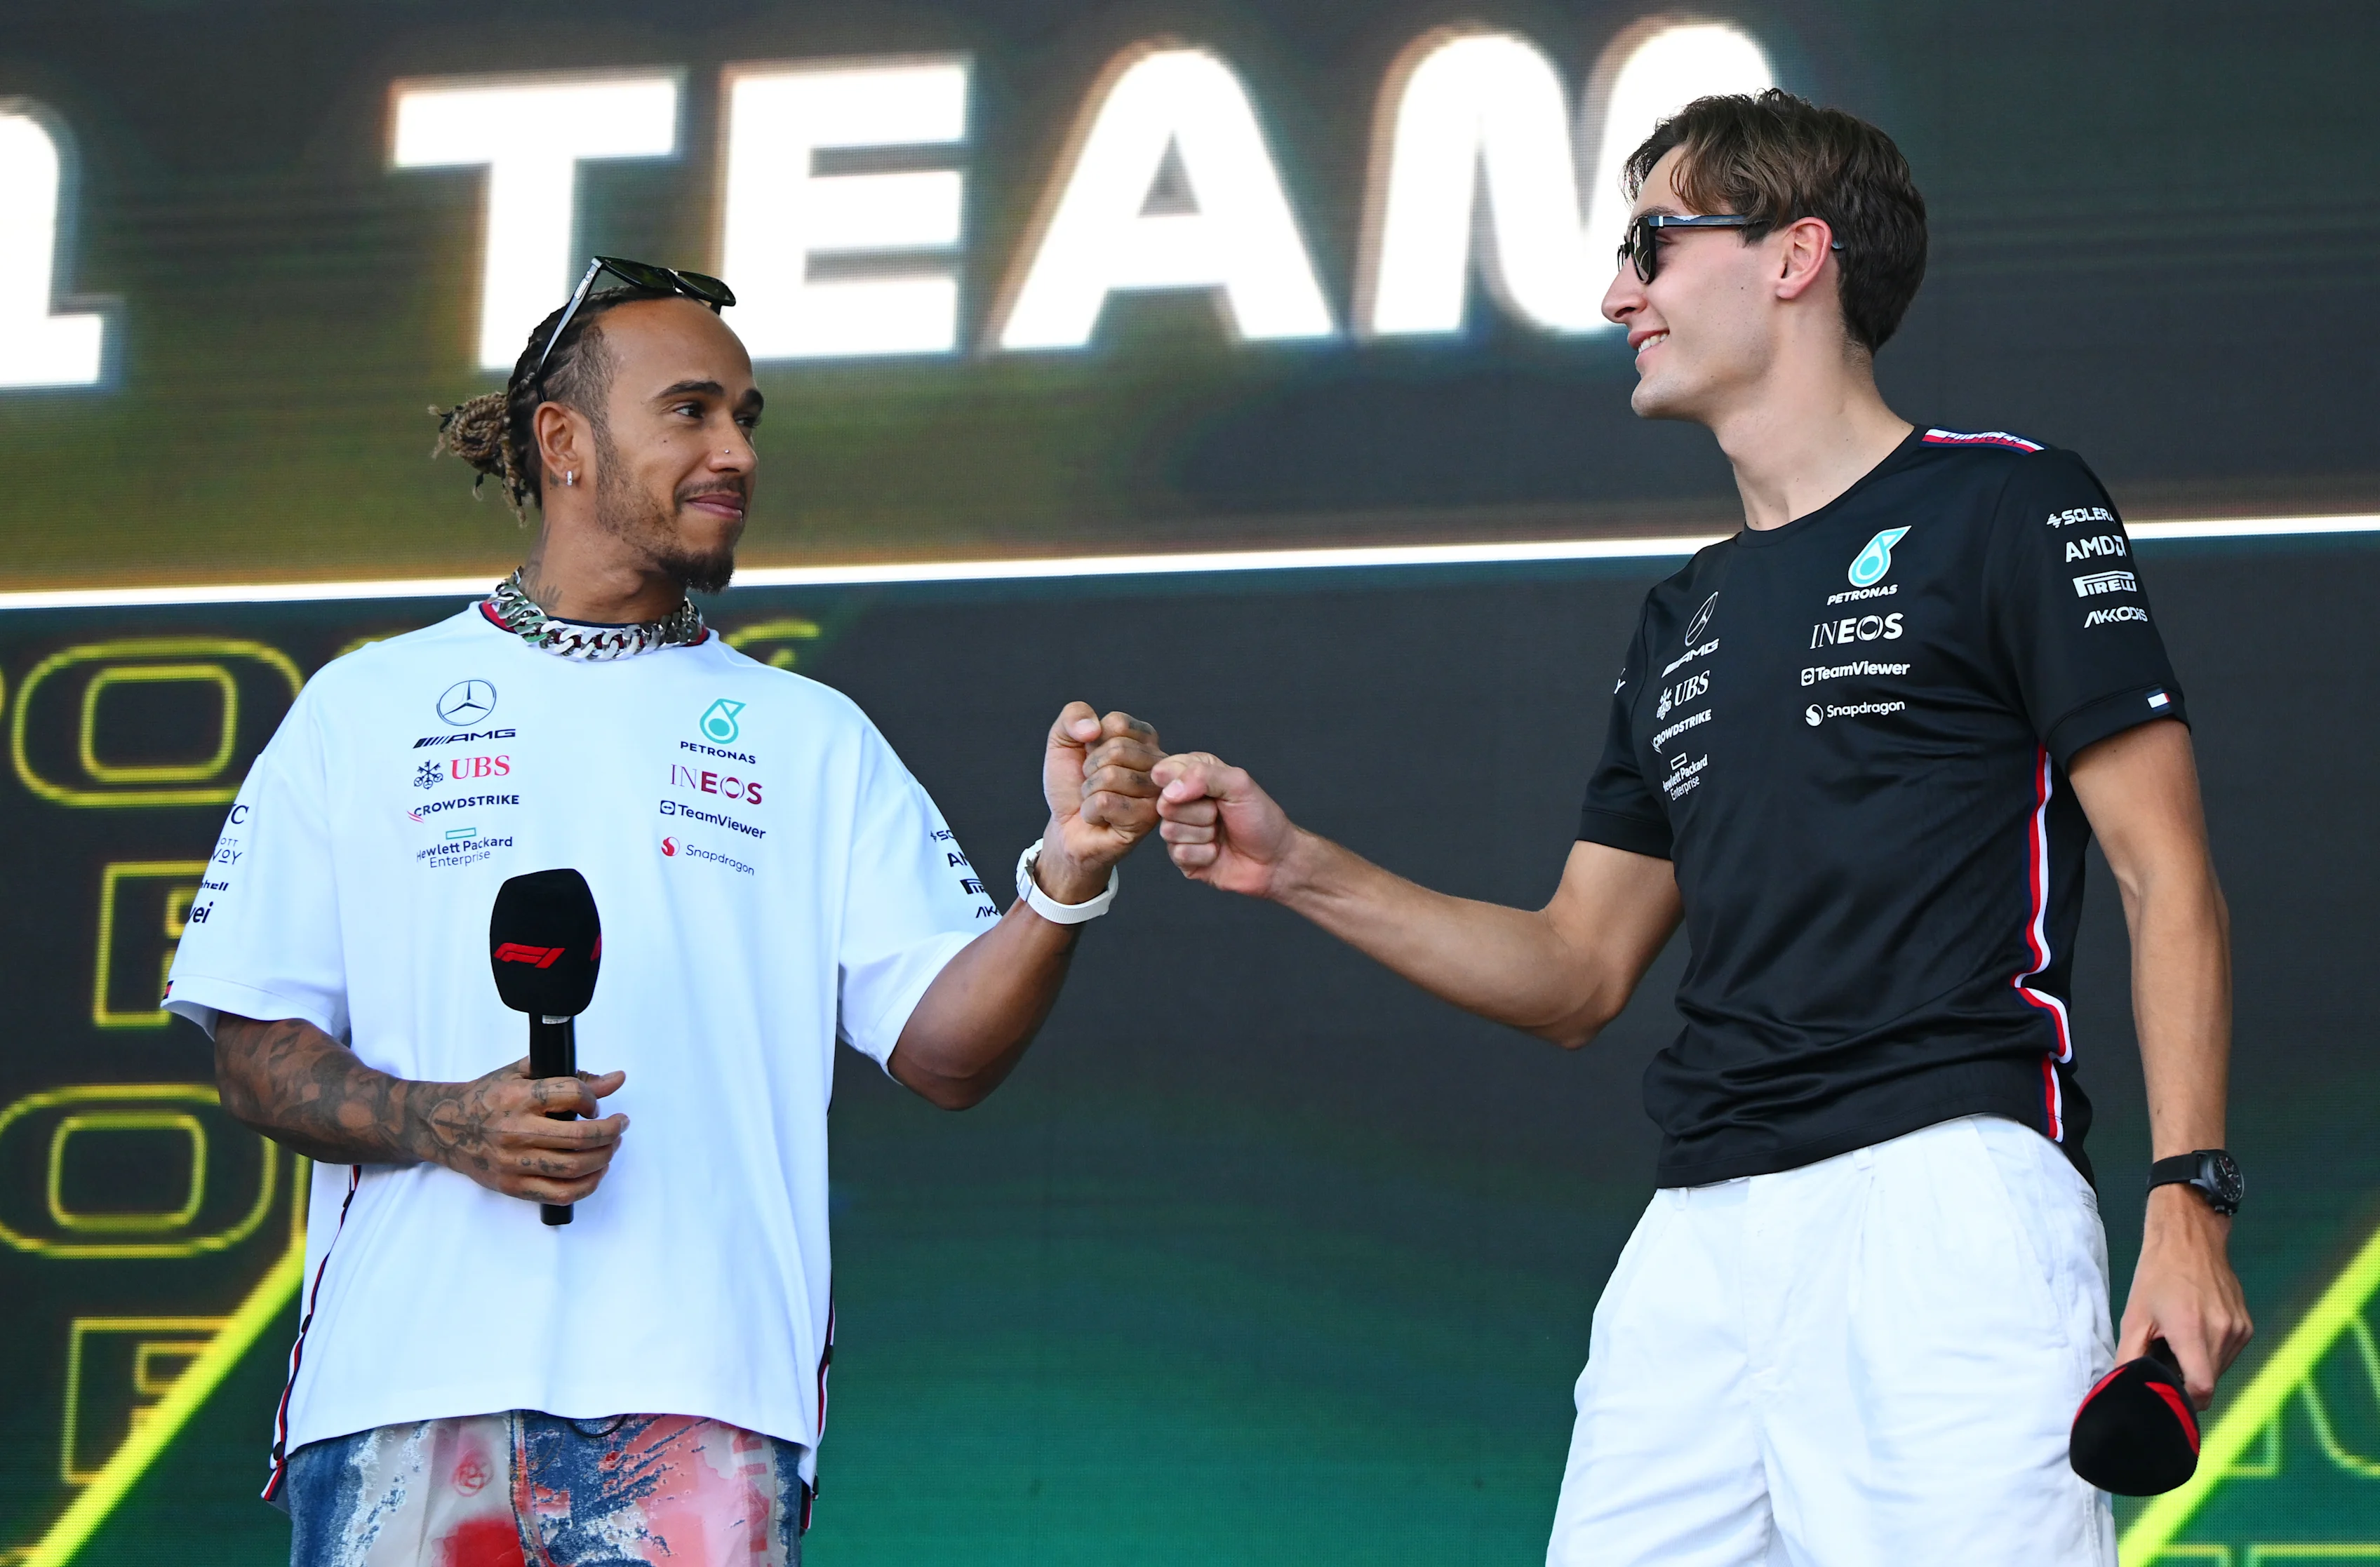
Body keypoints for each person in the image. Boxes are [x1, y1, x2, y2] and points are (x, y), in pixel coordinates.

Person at [1150, 93, 2250, 1564]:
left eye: (1653, 246)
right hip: (1696, 1238)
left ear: (1794, 256)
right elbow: (1575, 969)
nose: (1620, 294)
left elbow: (2164, 873)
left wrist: (2189, 1200)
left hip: (1945, 1202)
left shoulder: (2009, 501)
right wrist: (1295, 866)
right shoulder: (1684, 611)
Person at [164, 257, 1163, 1567]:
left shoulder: (813, 736)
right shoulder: (364, 709)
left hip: (705, 1403)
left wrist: (1065, 876)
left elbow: (947, 1051)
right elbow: (254, 1049)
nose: (735, 450)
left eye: (746, 418)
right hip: (406, 1392)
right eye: (690, 411)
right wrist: (441, 1120)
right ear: (564, 442)